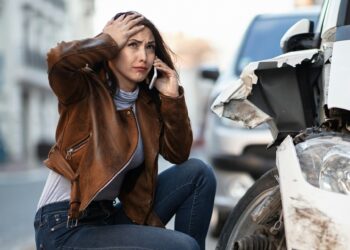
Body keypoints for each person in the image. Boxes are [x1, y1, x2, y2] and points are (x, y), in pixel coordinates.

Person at [34, 11, 216, 250]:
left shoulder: (146, 105)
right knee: (183, 247)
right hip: (64, 226)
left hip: (107, 219)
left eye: (150, 47)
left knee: (198, 174)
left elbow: (179, 154)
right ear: (113, 49)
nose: (143, 56)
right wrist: (106, 40)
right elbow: (57, 61)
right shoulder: (84, 90)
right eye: (132, 44)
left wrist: (171, 98)